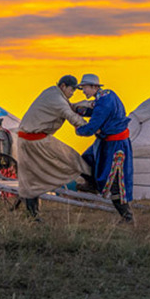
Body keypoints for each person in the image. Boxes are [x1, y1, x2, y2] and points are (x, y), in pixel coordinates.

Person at [14, 75, 92, 220]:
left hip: (29, 139)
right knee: (70, 158)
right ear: (63, 86)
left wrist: (87, 105)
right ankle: (92, 183)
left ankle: (33, 215)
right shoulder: (57, 100)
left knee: (30, 177)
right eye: (72, 89)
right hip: (35, 141)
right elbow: (70, 115)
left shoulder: (53, 92)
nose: (73, 92)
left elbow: (69, 106)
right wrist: (92, 128)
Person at [76, 73, 135, 222]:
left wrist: (79, 128)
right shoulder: (106, 96)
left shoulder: (103, 102)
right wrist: (78, 110)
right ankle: (93, 184)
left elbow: (92, 127)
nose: (83, 91)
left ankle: (127, 217)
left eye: (85, 88)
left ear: (94, 87)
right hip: (106, 142)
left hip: (115, 146)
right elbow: (95, 112)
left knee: (116, 181)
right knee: (86, 159)